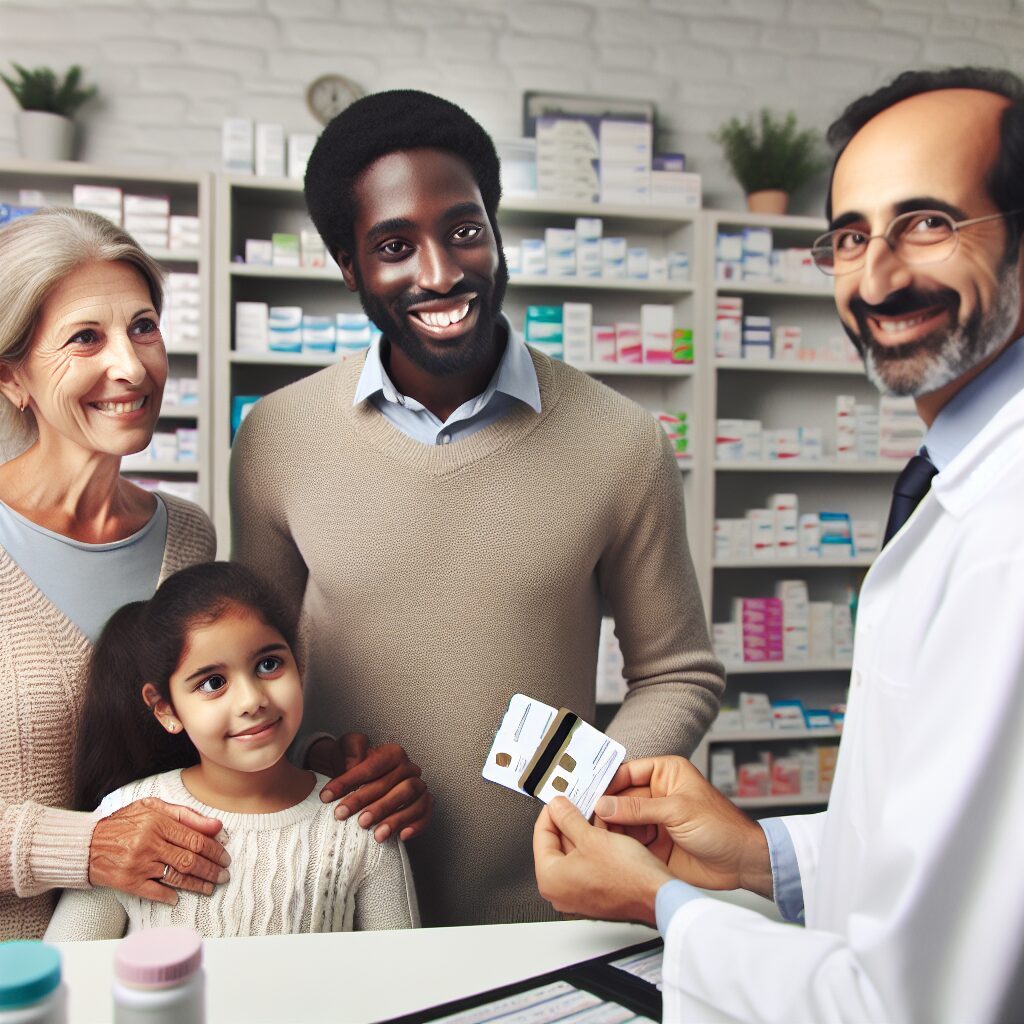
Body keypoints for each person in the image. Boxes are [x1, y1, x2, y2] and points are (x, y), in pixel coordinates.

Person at [534, 66, 1024, 1023]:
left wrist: (659, 902)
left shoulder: (1007, 536)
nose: (877, 276)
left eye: (927, 222)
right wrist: (762, 856)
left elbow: (905, 1005)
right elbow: (959, 859)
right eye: (850, 237)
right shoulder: (959, 481)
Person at [231, 89, 724, 926]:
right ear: (349, 268)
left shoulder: (622, 441)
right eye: (394, 245)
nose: (440, 272)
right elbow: (249, 667)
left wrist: (573, 788)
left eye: (463, 230)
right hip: (331, 905)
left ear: (495, 231)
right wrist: (317, 754)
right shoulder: (278, 436)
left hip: (548, 908)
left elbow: (679, 672)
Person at [0, 208, 230, 941]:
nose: (130, 367)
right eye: (85, 339)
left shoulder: (189, 537)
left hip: (157, 970)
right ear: (12, 378)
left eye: (143, 327)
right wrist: (85, 849)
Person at [44, 562, 419, 939]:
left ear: (298, 662)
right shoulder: (126, 825)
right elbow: (68, 974)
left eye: (268, 664)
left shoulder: (361, 825)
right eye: (213, 683)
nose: (251, 700)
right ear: (166, 709)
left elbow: (405, 979)